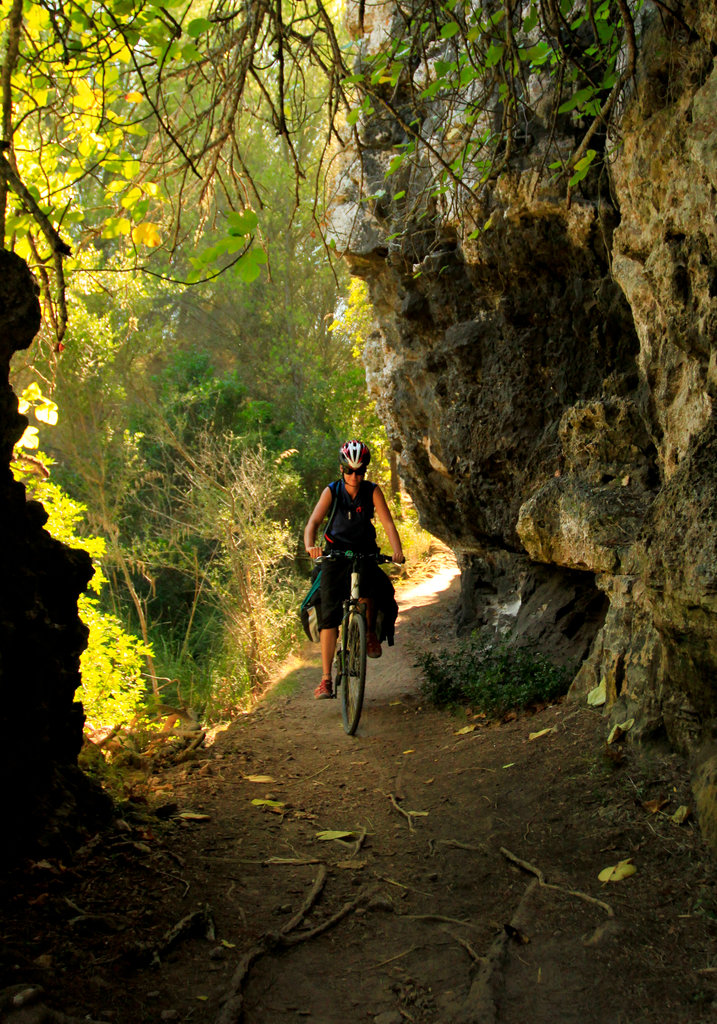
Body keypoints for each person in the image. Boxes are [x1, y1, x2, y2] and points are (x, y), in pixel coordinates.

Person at [304, 439, 405, 700]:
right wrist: (310, 546)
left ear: (365, 471)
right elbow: (313, 522)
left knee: (371, 589)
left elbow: (388, 524)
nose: (354, 476)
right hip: (334, 554)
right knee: (329, 618)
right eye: (349, 470)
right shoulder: (332, 491)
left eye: (359, 471)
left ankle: (369, 633)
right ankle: (326, 679)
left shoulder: (372, 491)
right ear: (341, 469)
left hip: (364, 552)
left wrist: (397, 551)